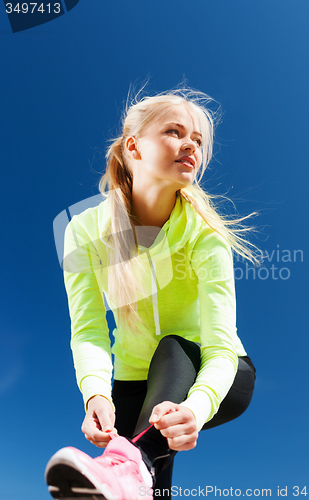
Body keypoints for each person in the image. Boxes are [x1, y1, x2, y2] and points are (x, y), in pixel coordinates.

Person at [45, 86, 257, 500]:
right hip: (133, 384)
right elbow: (87, 329)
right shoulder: (83, 232)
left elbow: (218, 347)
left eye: (197, 140)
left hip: (214, 372)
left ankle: (130, 464)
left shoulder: (205, 235)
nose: (190, 145)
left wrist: (194, 410)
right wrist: (95, 394)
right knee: (139, 487)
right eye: (175, 132)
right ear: (133, 146)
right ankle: (131, 471)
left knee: (172, 347)